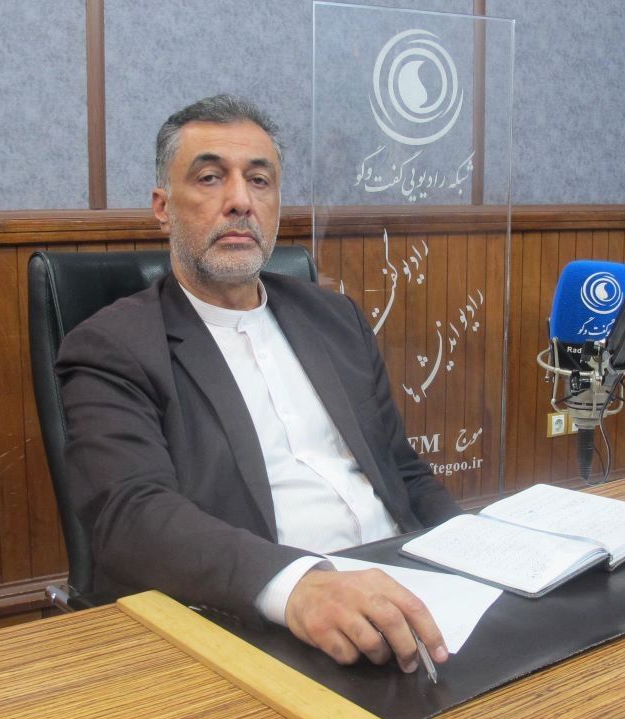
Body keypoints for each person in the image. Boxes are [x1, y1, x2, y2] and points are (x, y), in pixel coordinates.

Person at [56, 94, 462, 674]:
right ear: (163, 207)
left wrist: (474, 549)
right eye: (210, 177)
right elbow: (132, 515)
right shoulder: (113, 346)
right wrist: (298, 586)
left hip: (410, 592)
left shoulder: (336, 318)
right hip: (257, 623)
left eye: (259, 180)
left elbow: (403, 469)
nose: (240, 201)